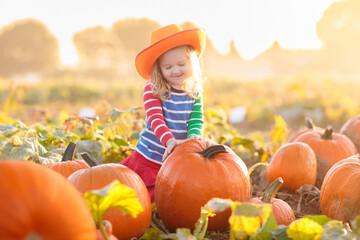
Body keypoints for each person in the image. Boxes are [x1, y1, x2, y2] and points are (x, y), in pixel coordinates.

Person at [121, 24, 206, 201]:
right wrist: (169, 141)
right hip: (151, 155)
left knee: (169, 197)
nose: (175, 71)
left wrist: (193, 139)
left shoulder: (194, 91)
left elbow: (196, 119)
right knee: (131, 191)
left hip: (176, 160)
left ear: (191, 62)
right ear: (159, 69)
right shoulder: (153, 89)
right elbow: (155, 119)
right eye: (168, 67)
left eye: (181, 64)